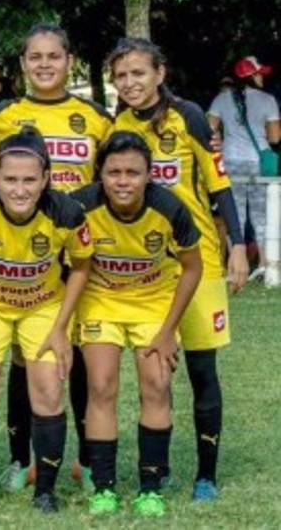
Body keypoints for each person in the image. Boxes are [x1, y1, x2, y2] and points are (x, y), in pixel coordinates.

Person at [109, 37, 249, 502]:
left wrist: (238, 247)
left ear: (159, 73)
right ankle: (159, 468)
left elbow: (218, 182)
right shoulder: (118, 126)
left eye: (138, 73)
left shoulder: (187, 116)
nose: (130, 83)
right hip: (151, 270)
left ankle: (206, 474)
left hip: (202, 262)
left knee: (202, 371)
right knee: (156, 372)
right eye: (121, 75)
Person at [0, 23, 114, 492]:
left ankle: (82, 458)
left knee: (70, 355)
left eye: (53, 57)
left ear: (69, 61)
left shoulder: (97, 117)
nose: (43, 64)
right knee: (25, 357)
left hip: (78, 252)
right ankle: (22, 460)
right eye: (34, 57)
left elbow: (115, 174)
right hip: (20, 255)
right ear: (22, 64)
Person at [0, 130, 92, 513]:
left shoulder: (67, 213)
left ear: (45, 179)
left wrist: (61, 328)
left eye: (30, 180)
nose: (20, 189)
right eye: (10, 179)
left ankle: (44, 492)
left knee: (47, 392)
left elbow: (81, 266)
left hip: (43, 306)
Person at [72, 132, 203, 516]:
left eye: (133, 172)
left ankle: (150, 488)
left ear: (149, 175)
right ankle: (105, 488)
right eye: (114, 172)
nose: (123, 181)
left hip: (152, 303)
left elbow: (193, 268)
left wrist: (166, 331)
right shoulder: (80, 204)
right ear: (100, 174)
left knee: (157, 385)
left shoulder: (169, 208)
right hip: (100, 301)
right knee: (101, 385)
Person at [208, 55, 281, 268]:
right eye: (260, 74)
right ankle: (266, 265)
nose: (262, 78)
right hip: (259, 163)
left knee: (234, 215)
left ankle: (236, 264)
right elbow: (276, 138)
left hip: (230, 162)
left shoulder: (221, 99)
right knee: (262, 215)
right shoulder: (267, 100)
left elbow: (208, 130)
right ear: (252, 76)